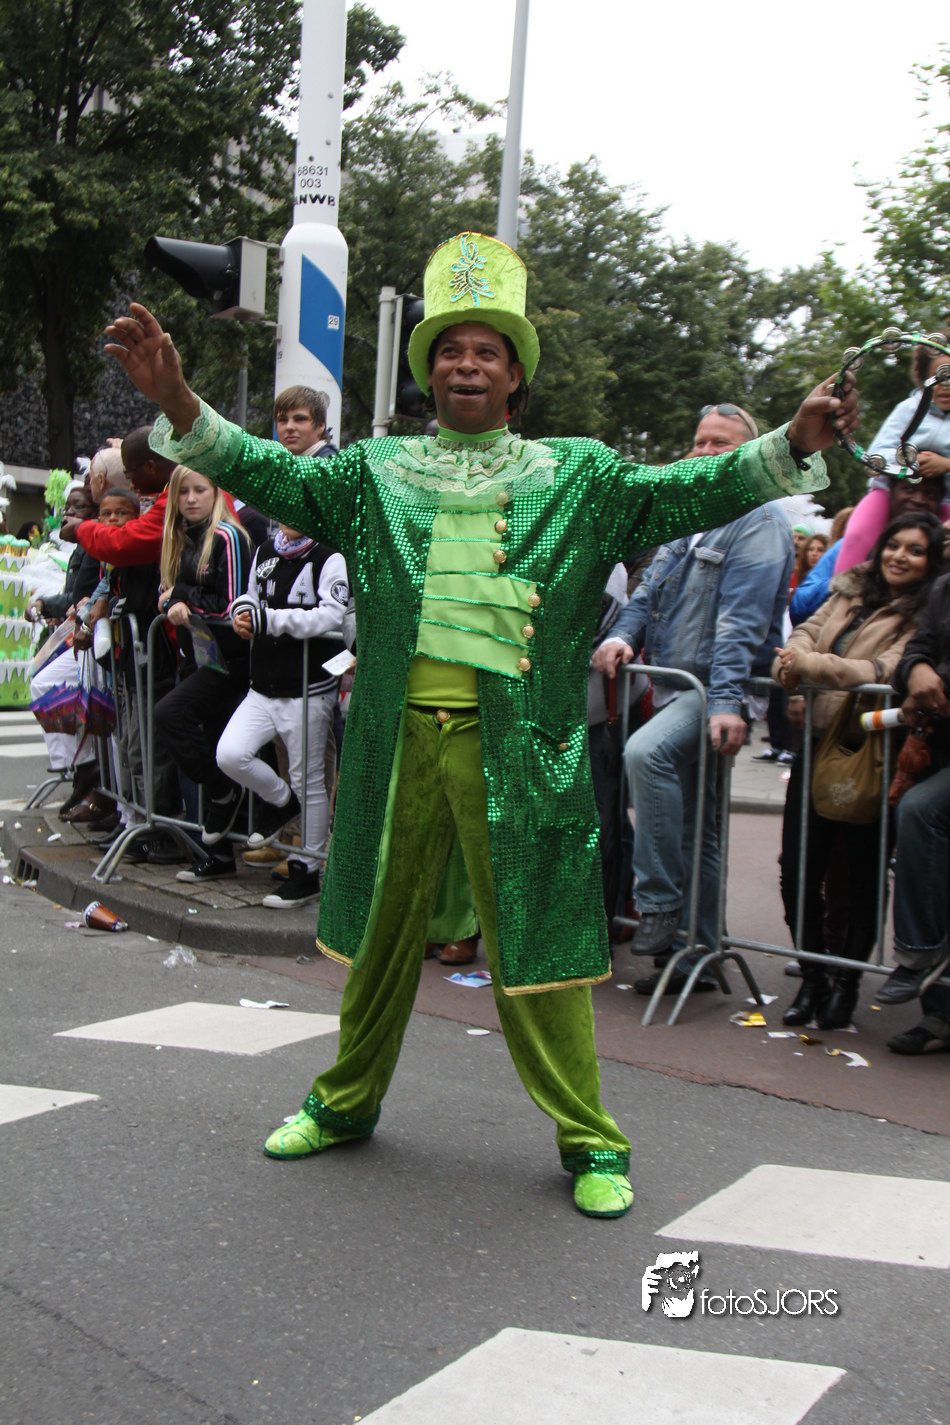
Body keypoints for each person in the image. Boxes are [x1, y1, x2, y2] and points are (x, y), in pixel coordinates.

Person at [105, 231, 856, 1221]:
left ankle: (590, 1137)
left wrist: (793, 440)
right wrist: (176, 403)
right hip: (396, 745)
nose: (466, 363)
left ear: (513, 375)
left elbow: (690, 487)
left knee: (538, 945)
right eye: (450, 349)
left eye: (486, 350)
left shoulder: (578, 475)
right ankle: (342, 1101)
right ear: (430, 371)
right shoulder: (372, 471)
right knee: (381, 936)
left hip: (521, 754)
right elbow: (266, 470)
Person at [592, 403, 794, 996]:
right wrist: (621, 637)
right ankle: (695, 952)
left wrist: (726, 701)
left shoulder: (760, 519)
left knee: (645, 754)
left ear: (748, 454)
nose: (704, 452)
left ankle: (658, 902)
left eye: (720, 444)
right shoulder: (689, 513)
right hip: (674, 684)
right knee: (697, 828)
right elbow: (646, 591)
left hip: (713, 689)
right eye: (699, 441)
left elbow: (741, 624)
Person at [774, 511, 946, 1030]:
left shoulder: (924, 611)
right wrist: (797, 658)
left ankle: (847, 984)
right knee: (797, 871)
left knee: (862, 876)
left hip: (874, 751)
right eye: (895, 544)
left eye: (916, 550)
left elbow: (883, 671)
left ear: (931, 561)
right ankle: (812, 978)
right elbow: (804, 633)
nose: (900, 556)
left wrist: (805, 666)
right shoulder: (849, 590)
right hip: (815, 743)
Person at [215, 521, 349, 908]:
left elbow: (333, 616)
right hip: (263, 686)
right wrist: (243, 611)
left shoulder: (329, 553)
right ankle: (281, 801)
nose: (285, 516)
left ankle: (306, 871)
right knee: (230, 754)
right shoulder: (265, 549)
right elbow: (250, 596)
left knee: (309, 781)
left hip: (308, 688)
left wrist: (270, 620)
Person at [152, 467, 253, 881]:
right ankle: (219, 855)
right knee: (207, 741)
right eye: (183, 492)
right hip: (199, 654)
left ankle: (224, 791)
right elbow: (166, 596)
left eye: (200, 490)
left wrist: (180, 598)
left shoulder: (227, 536)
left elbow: (231, 606)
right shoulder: (179, 536)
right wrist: (172, 602)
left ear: (216, 493)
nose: (191, 499)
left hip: (231, 660)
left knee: (169, 714)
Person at [874, 570, 950, 1036]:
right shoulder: (944, 588)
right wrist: (917, 668)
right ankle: (939, 1013)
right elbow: (917, 650)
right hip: (939, 747)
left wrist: (935, 680)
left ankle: (918, 953)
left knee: (922, 809)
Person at [834, 338, 950, 574]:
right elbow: (878, 452)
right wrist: (909, 460)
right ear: (925, 379)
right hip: (890, 491)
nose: (945, 386)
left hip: (945, 500)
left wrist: (946, 465)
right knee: (856, 535)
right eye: (939, 377)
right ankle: (841, 591)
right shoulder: (908, 408)